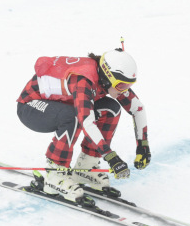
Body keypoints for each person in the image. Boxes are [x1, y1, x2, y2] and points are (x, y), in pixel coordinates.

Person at [16, 48, 151, 204]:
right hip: (30, 107)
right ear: (108, 77)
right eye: (121, 85)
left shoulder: (109, 79)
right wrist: (110, 156)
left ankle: (85, 168)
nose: (124, 90)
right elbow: (86, 121)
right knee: (72, 116)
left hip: (60, 103)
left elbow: (137, 108)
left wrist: (143, 145)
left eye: (129, 85)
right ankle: (55, 175)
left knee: (111, 109)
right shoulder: (83, 80)